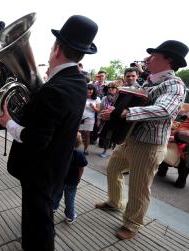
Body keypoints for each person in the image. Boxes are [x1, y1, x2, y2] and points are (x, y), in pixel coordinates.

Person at [0, 15, 98, 251]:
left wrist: (8, 122)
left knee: (40, 219)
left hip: (40, 168)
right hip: (53, 164)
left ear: (57, 49)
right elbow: (49, 121)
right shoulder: (76, 80)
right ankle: (31, 250)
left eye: (52, 47)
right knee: (35, 214)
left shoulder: (56, 88)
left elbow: (34, 139)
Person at [96, 40, 188, 240]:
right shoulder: (150, 81)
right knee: (113, 169)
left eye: (154, 55)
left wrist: (124, 112)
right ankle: (114, 202)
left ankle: (132, 224)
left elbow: (166, 110)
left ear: (169, 60)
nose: (148, 58)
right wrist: (114, 112)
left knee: (139, 187)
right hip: (131, 139)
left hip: (149, 145)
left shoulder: (175, 84)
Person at [53, 132, 87, 223]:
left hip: (59, 179)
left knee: (56, 194)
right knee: (70, 198)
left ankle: (52, 208)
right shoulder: (80, 154)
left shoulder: (59, 152)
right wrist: (79, 178)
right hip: (72, 181)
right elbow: (81, 169)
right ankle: (70, 216)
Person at [99, 82, 119, 157]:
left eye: (113, 88)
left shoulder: (119, 98)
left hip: (115, 120)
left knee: (115, 137)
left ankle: (115, 150)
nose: (110, 89)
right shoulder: (105, 98)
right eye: (109, 88)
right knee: (106, 136)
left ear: (117, 89)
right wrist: (99, 119)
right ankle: (105, 150)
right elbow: (101, 109)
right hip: (105, 120)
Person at [79, 84, 101, 155]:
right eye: (88, 89)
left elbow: (98, 110)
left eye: (91, 89)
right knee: (77, 134)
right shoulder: (82, 96)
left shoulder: (97, 98)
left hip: (90, 118)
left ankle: (86, 149)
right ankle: (74, 147)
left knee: (87, 134)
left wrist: (93, 107)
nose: (90, 91)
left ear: (94, 91)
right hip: (80, 117)